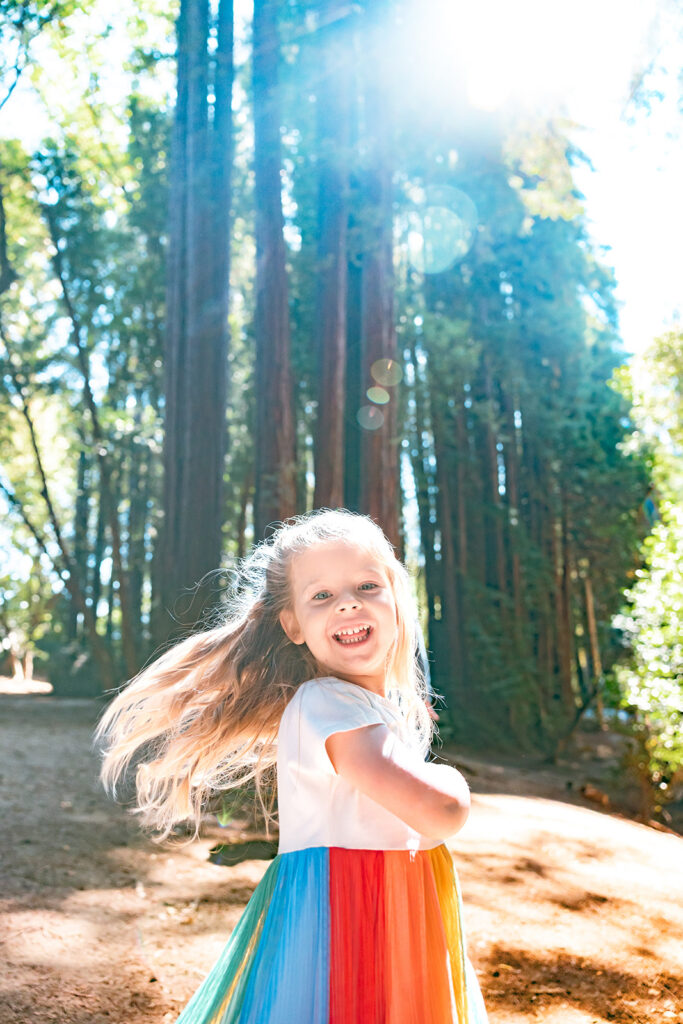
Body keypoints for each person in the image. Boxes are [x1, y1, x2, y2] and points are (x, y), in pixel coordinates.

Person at [94, 508, 489, 1023]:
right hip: (347, 929)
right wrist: (452, 779)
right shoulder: (328, 703)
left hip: (387, 919)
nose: (348, 602)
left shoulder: (366, 708)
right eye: (321, 596)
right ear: (293, 626)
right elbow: (437, 812)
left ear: (396, 601)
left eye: (367, 585)